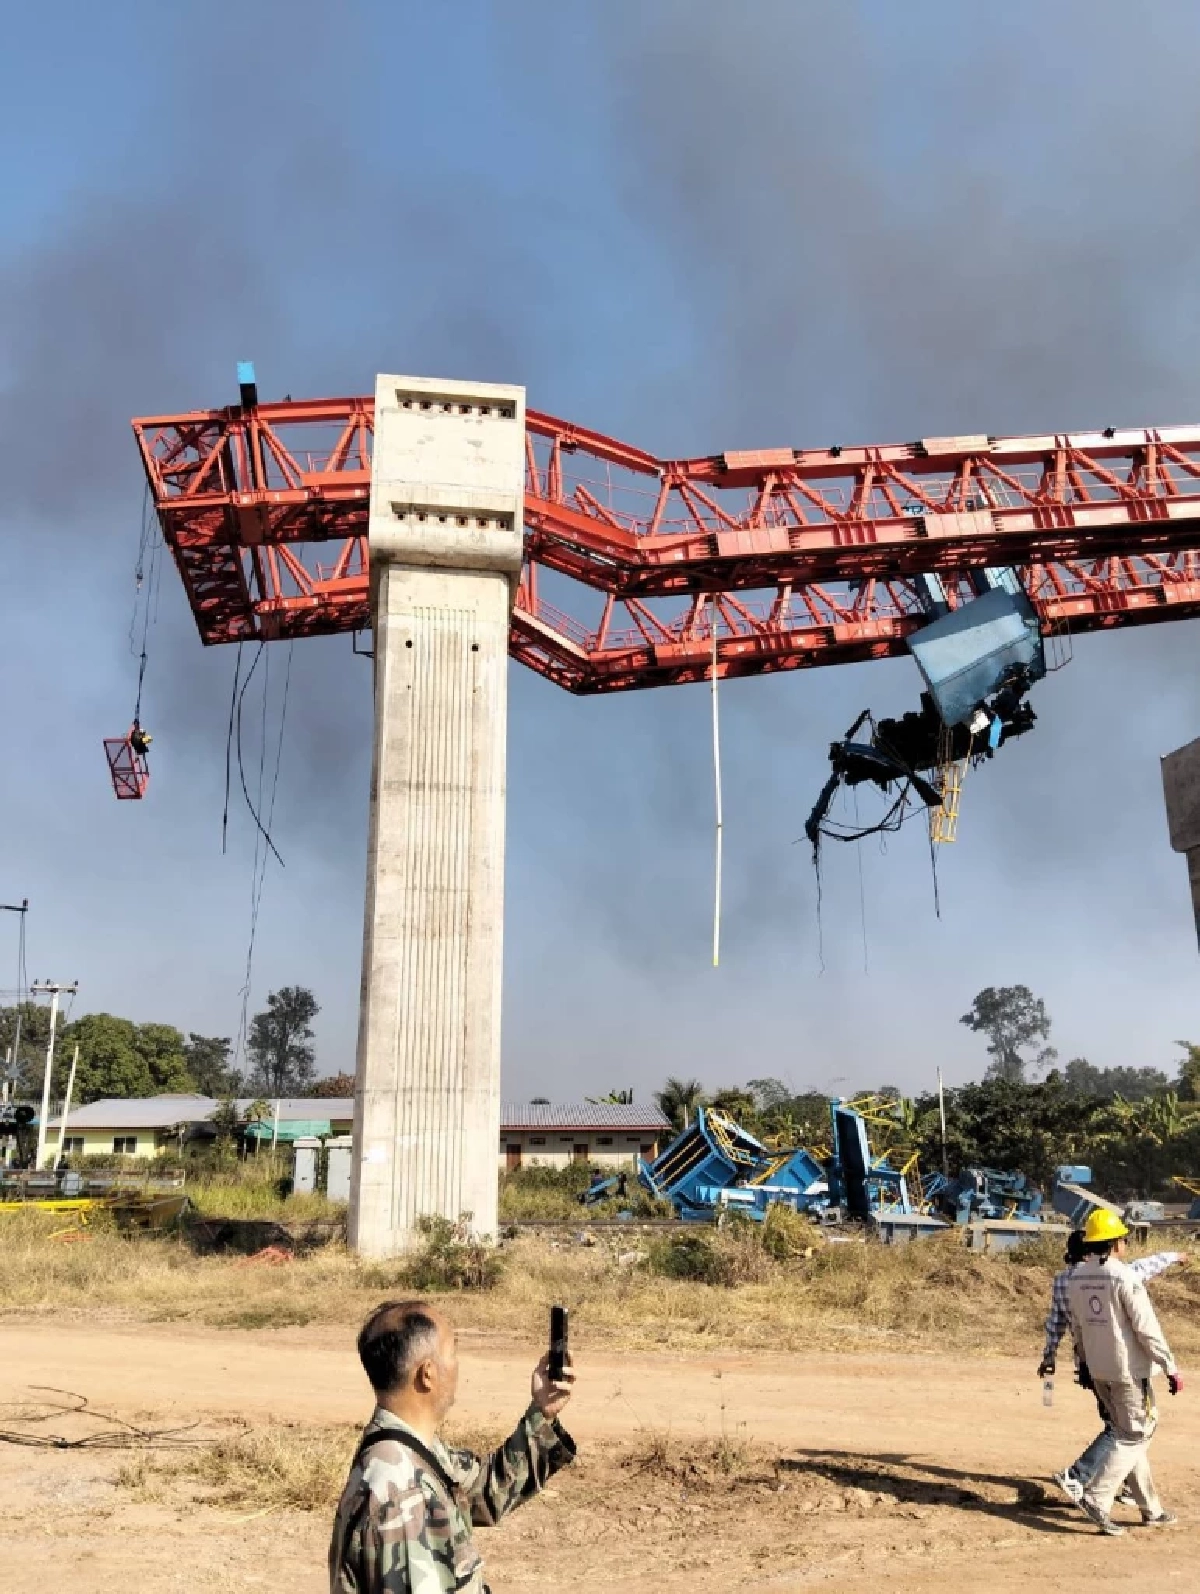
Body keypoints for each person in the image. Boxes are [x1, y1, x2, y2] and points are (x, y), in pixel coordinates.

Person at [329, 1299, 576, 1592]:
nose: (457, 1364)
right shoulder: (404, 1494)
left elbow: (486, 1491)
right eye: (452, 1351)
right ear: (428, 1373)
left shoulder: (407, 1449)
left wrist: (542, 1411)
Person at [1039, 1227, 1185, 1505]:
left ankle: (1142, 1499)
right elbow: (1144, 1274)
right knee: (1126, 1430)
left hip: (1089, 1362)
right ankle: (1079, 1475)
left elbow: (1058, 1322)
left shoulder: (1064, 1280)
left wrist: (1049, 1356)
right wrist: (1169, 1365)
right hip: (1126, 1365)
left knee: (1126, 1428)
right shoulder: (1114, 1274)